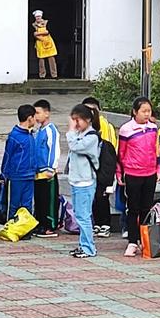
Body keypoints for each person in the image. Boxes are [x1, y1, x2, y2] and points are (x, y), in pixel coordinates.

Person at [117, 97, 159, 257]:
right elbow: (121, 153)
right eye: (143, 111)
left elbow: (156, 150)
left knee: (146, 208)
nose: (147, 114)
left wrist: (157, 169)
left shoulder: (153, 128)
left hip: (150, 173)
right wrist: (119, 173)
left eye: (149, 111)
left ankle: (144, 240)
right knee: (133, 208)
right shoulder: (126, 129)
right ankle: (133, 241)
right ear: (135, 112)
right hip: (133, 173)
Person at [66, 104, 100, 258]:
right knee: (80, 215)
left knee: (83, 216)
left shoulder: (91, 137)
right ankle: (83, 244)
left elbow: (74, 146)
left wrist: (71, 131)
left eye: (77, 120)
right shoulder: (81, 134)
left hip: (85, 182)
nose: (75, 124)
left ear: (87, 119)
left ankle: (89, 248)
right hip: (77, 180)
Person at [82, 96, 116, 238]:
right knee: (93, 199)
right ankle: (96, 223)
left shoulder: (105, 127)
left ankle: (105, 224)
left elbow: (110, 151)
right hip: (88, 172)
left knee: (102, 198)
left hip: (102, 170)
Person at [1, 105, 37, 222]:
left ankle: (25, 229)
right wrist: (4, 174)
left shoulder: (30, 135)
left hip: (30, 175)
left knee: (27, 205)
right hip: (17, 176)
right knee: (14, 204)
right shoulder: (14, 136)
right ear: (30, 118)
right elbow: (7, 155)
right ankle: (11, 226)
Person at [33, 99, 61, 238]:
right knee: (40, 200)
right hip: (38, 172)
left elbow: (53, 150)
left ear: (47, 113)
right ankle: (40, 223)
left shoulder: (51, 130)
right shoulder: (38, 131)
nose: (36, 116)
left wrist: (51, 167)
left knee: (49, 200)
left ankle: (50, 225)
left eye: (38, 113)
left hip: (47, 172)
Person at [32, 9, 58, 79]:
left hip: (48, 42)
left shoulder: (47, 23)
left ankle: (54, 74)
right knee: (41, 60)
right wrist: (39, 36)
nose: (38, 18)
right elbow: (33, 34)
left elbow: (48, 32)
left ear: (41, 17)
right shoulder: (33, 25)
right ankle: (42, 75)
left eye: (39, 17)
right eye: (37, 17)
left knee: (51, 59)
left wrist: (38, 34)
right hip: (40, 43)